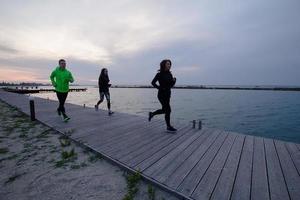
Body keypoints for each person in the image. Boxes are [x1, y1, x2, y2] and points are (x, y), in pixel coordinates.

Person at [149, 59, 177, 132]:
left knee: (165, 110)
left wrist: (174, 81)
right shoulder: (159, 74)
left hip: (168, 94)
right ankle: (168, 126)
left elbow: (170, 85)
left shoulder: (170, 74)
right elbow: (153, 83)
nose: (169, 65)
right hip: (161, 95)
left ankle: (152, 114)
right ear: (164, 64)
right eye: (168, 64)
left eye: (170, 64)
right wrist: (159, 88)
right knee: (168, 110)